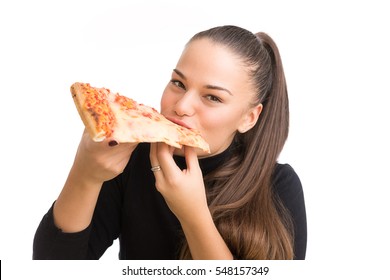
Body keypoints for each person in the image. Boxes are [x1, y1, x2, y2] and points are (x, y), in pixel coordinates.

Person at [33, 25, 307, 260]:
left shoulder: (279, 186)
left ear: (249, 117)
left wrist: (193, 214)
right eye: (178, 83)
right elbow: (53, 267)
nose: (182, 106)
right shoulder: (129, 159)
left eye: (212, 97)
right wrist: (85, 174)